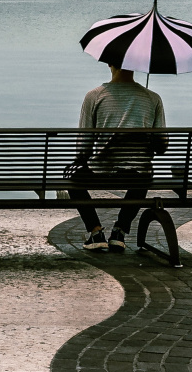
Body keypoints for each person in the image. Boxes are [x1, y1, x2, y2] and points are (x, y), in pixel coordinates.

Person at [69, 64, 165, 253]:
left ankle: (96, 232)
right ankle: (119, 231)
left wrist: (82, 159)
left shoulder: (95, 96)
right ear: (137, 64)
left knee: (72, 181)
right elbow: (162, 146)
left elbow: (83, 148)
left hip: (102, 172)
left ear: (109, 63)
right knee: (145, 173)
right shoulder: (153, 98)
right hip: (138, 176)